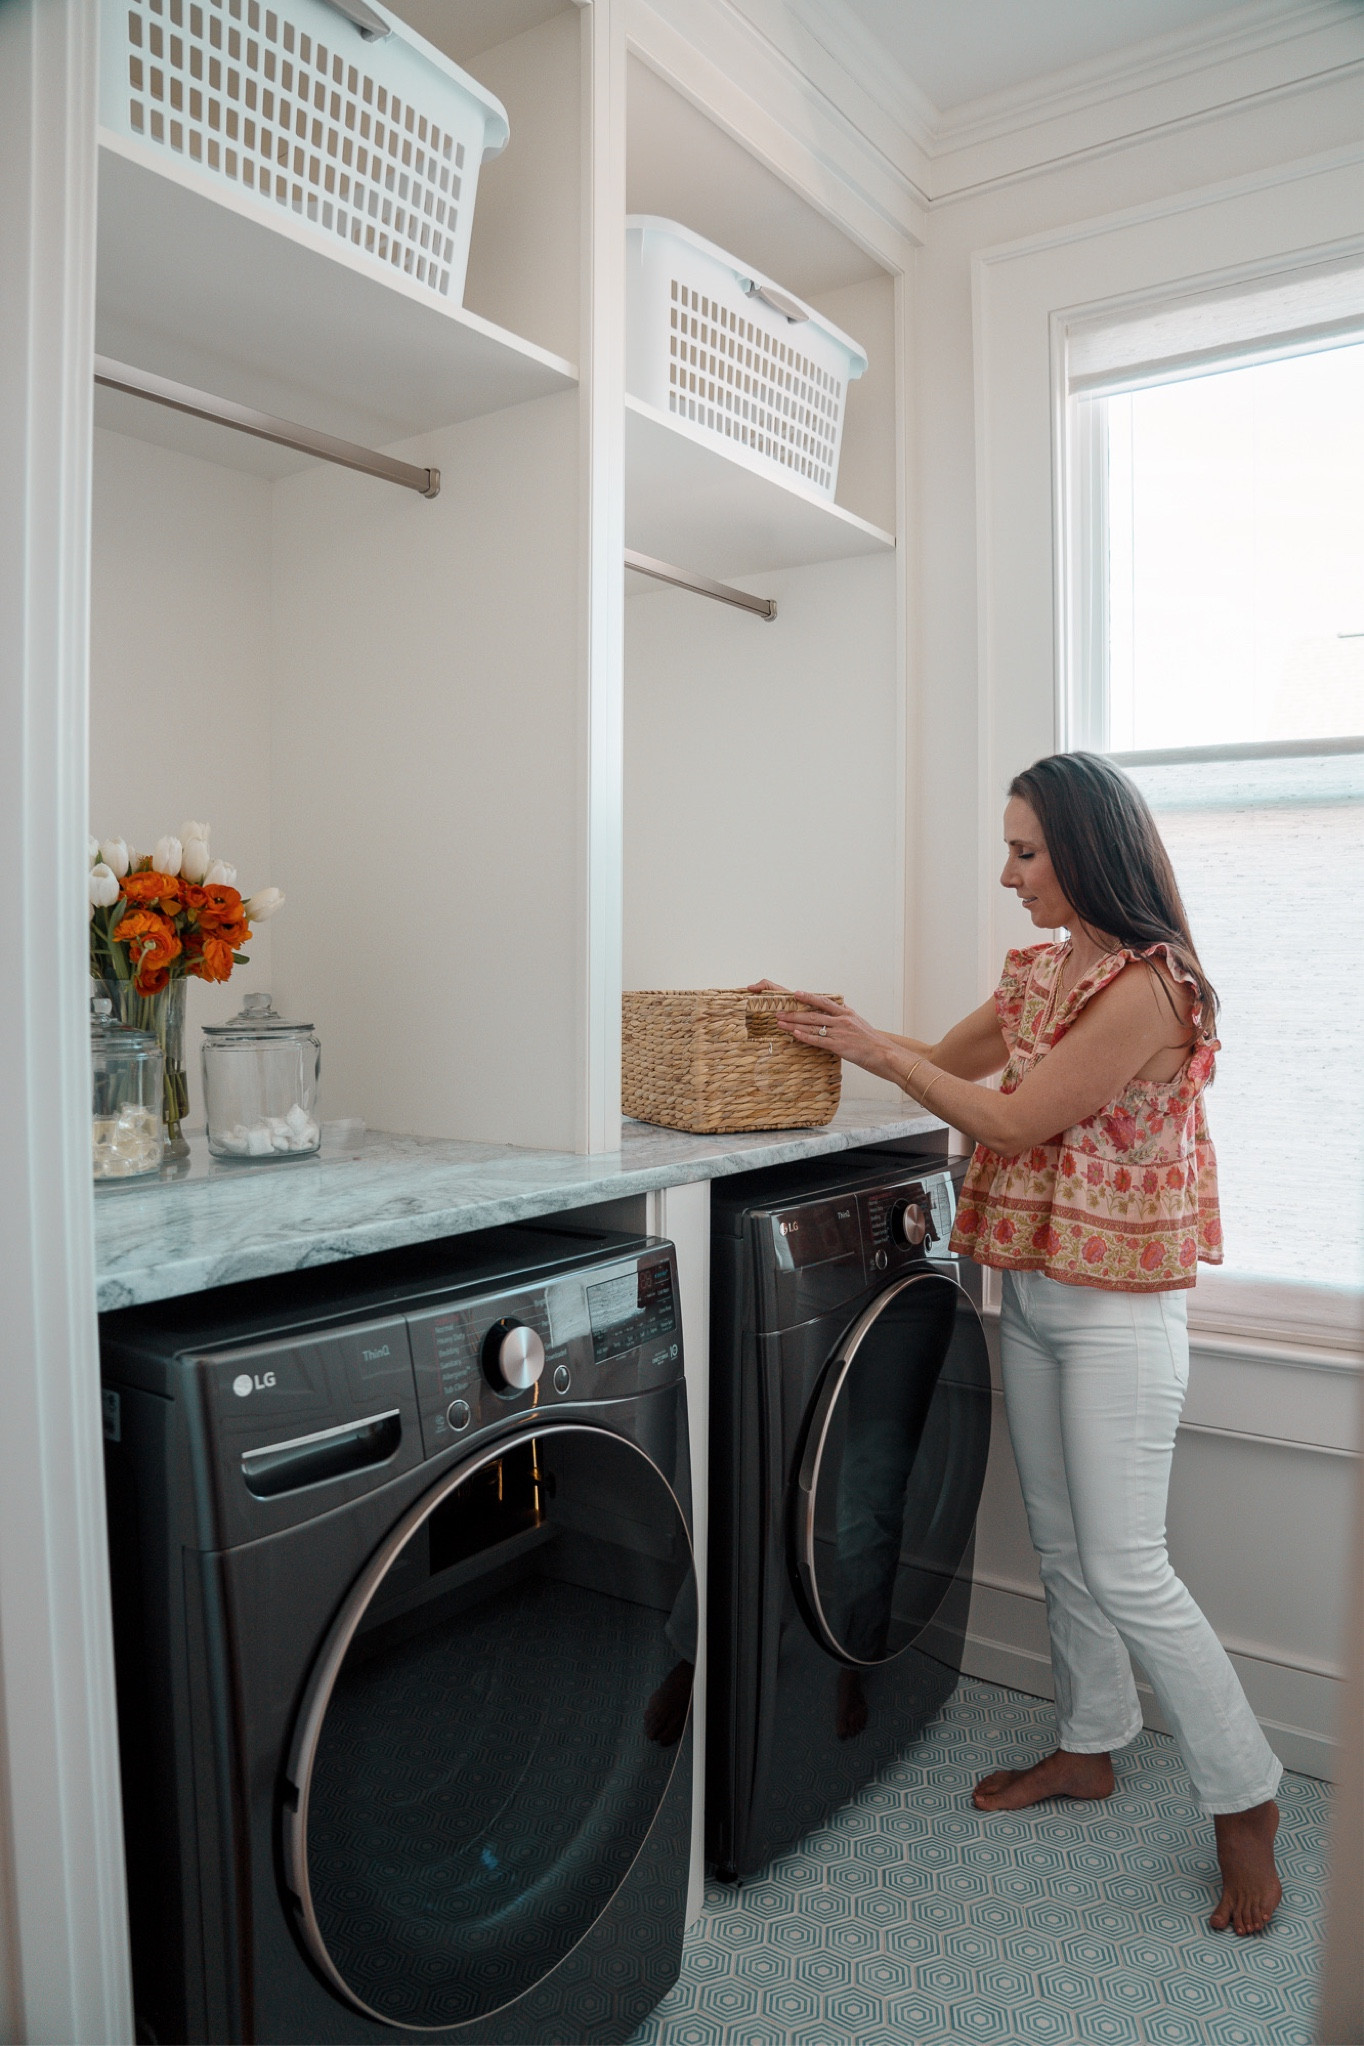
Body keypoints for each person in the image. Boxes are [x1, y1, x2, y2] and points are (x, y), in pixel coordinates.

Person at [761, 749, 1282, 1938]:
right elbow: (945, 1067)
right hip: (1039, 1295)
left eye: (1024, 850)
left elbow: (1005, 1116)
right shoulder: (1041, 976)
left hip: (1119, 1313)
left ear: (1088, 851)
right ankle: (1090, 1744)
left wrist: (869, 1048)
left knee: (1127, 1566)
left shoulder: (1150, 987)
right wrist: (824, 1029)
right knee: (1058, 1545)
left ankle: (1244, 1797)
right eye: (1008, 848)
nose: (1006, 874)